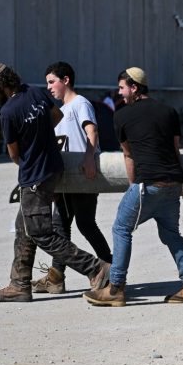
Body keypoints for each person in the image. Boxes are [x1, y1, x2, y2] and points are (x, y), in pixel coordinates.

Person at [0, 61, 111, 303]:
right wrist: (40, 137)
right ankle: (19, 284)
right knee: (24, 227)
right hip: (53, 169)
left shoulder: (8, 112)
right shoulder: (35, 93)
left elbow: (14, 154)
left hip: (34, 177)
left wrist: (32, 149)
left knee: (41, 233)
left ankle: (95, 268)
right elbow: (56, 116)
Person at [81, 67, 183, 307]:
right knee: (171, 234)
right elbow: (174, 150)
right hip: (172, 184)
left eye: (122, 88)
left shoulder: (121, 116)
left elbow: (129, 156)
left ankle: (115, 288)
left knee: (121, 228)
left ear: (134, 87)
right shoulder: (169, 111)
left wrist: (132, 187)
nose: (119, 93)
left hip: (147, 184)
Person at [31, 61, 113, 295]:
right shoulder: (60, 111)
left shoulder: (80, 103)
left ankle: (112, 270)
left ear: (65, 80)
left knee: (85, 224)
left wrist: (89, 159)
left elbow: (92, 131)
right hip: (66, 179)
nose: (49, 87)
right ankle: (56, 278)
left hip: (83, 175)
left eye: (52, 81)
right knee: (60, 226)